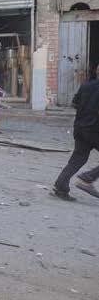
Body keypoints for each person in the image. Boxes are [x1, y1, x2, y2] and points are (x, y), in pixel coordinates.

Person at [52, 65, 99, 201]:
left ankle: (60, 186)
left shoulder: (86, 86)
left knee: (78, 158)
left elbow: (75, 103)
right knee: (79, 158)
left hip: (80, 127)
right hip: (94, 129)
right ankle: (87, 178)